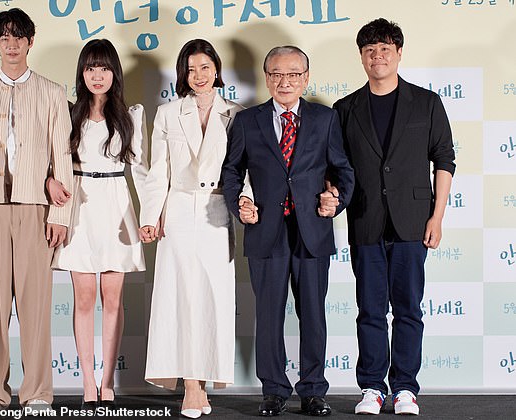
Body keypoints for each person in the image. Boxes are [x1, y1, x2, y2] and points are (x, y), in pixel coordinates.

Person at [221, 46, 354, 417]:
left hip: (312, 229)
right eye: (277, 74)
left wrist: (337, 199)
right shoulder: (248, 121)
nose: (285, 81)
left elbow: (344, 171)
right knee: (268, 314)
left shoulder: (326, 119)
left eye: (294, 74)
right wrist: (239, 204)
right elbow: (232, 171)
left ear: (306, 79)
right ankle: (274, 389)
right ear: (266, 78)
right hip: (266, 229)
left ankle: (313, 390)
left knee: (313, 313)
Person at [331, 18, 455, 416]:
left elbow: (444, 160)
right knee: (369, 309)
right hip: (365, 220)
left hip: (413, 221)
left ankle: (405, 388)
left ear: (398, 53)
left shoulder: (427, 102)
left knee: (408, 309)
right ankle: (371, 386)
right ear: (362, 58)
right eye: (370, 50)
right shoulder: (345, 108)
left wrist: (436, 217)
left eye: (385, 48)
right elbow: (337, 166)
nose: (377, 56)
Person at [0, 8, 73, 416]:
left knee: (36, 306)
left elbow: (62, 155)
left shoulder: (53, 92)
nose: (11, 45)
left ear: (30, 42)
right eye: (4, 38)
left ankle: (38, 392)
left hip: (36, 209)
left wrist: (60, 216)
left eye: (18, 37)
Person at [139, 39, 249, 419]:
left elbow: (247, 169)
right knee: (180, 296)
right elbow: (158, 172)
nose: (198, 76)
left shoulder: (237, 113)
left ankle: (205, 378)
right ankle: (190, 385)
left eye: (205, 67)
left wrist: (247, 201)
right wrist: (150, 217)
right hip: (179, 210)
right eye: (191, 69)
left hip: (218, 210)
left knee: (214, 298)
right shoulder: (168, 113)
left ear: (217, 69)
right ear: (182, 74)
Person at [45, 39, 148, 408]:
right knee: (84, 298)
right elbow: (51, 164)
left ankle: (108, 382)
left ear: (114, 73)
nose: (97, 75)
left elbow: (141, 170)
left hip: (117, 204)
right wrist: (49, 182)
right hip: (79, 206)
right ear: (82, 73)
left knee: (114, 300)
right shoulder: (67, 113)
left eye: (104, 68)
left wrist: (150, 216)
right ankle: (88, 381)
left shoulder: (131, 114)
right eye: (90, 68)